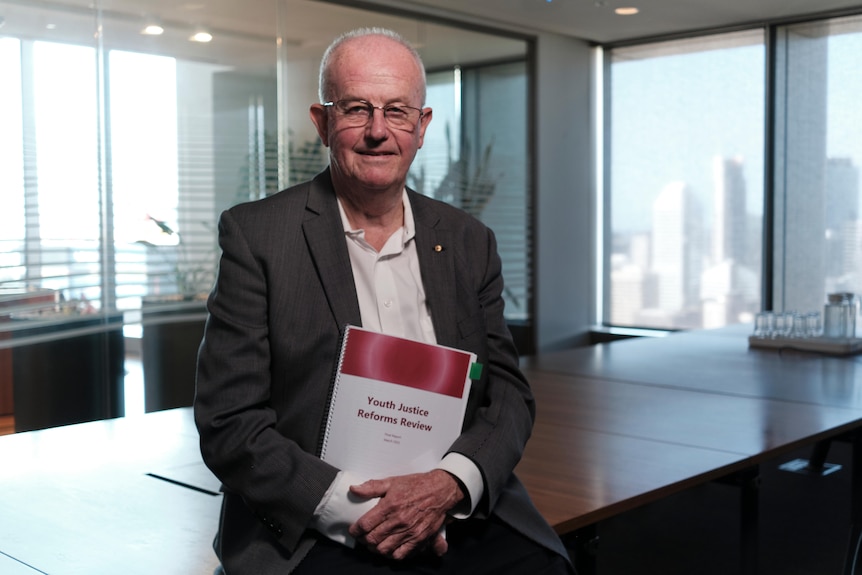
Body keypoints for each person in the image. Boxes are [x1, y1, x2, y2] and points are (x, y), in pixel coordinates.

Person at [194, 27, 573, 575]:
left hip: (450, 505)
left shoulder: (468, 241)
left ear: (421, 128)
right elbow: (230, 421)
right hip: (314, 520)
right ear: (323, 123)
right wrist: (365, 508)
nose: (378, 131)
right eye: (356, 110)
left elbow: (508, 395)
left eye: (397, 111)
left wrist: (448, 486)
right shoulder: (259, 236)